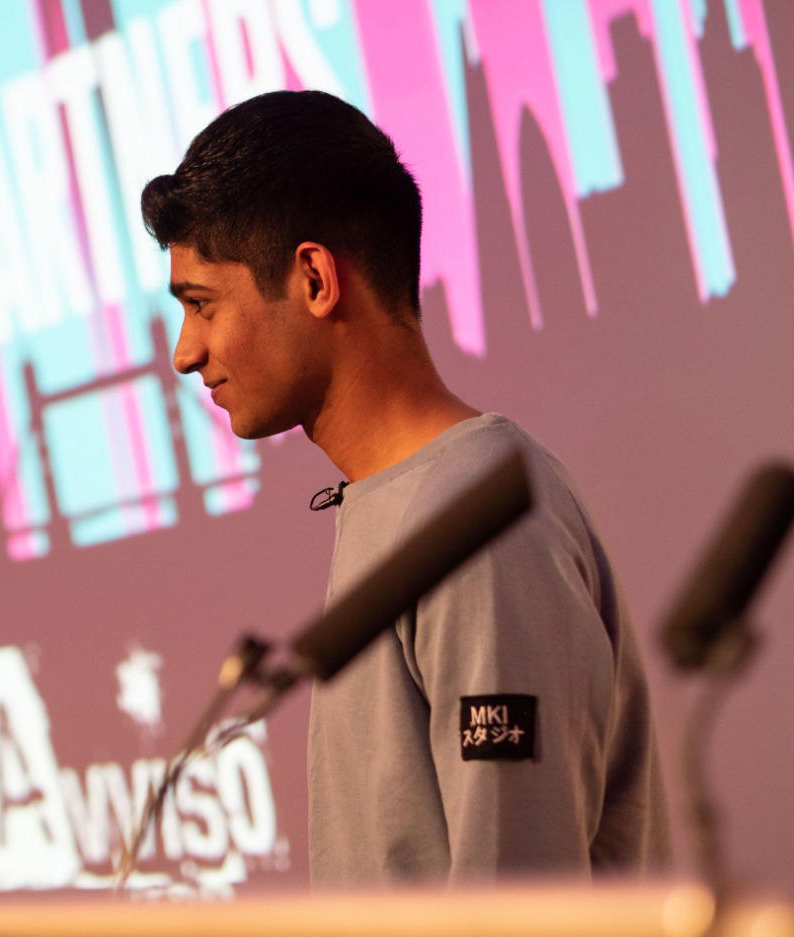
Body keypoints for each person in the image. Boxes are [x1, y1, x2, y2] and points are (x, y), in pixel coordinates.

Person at [140, 90, 670, 885]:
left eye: (201, 305)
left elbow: (517, 909)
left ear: (315, 278)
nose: (186, 352)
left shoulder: (475, 523)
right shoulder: (409, 501)